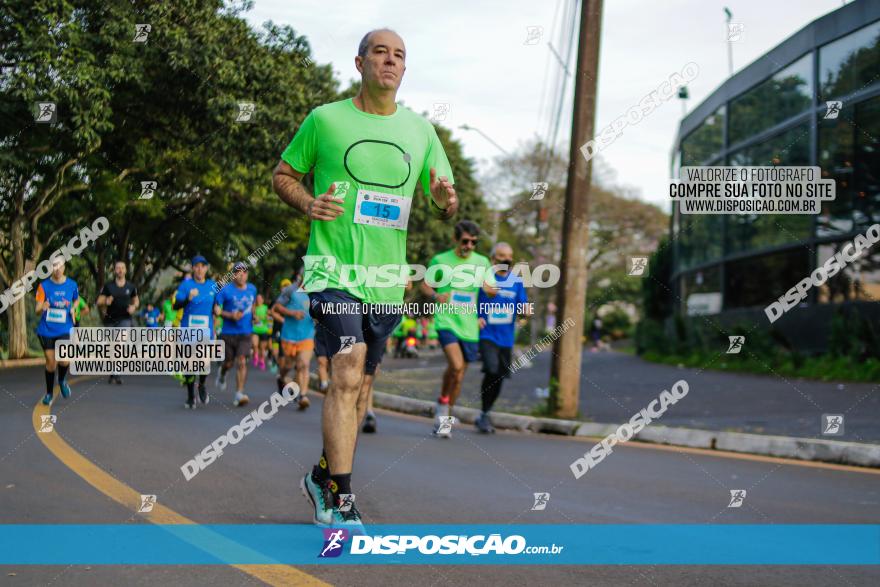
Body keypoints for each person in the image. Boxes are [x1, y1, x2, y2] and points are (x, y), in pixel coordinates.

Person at [272, 28, 458, 530]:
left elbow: (445, 200)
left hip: (387, 279)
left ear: (404, 69)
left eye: (399, 55)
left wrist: (444, 196)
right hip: (332, 270)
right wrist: (309, 202)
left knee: (359, 389)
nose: (390, 61)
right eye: (381, 52)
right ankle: (341, 499)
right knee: (347, 371)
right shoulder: (325, 119)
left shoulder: (421, 131)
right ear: (360, 63)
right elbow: (283, 175)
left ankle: (321, 475)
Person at [421, 220, 496, 437]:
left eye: (474, 242)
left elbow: (492, 290)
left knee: (460, 374)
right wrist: (436, 294)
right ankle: (443, 406)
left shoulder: (482, 262)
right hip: (446, 320)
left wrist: (488, 288)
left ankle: (444, 412)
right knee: (455, 364)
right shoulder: (441, 260)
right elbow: (425, 285)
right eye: (465, 241)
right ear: (455, 239)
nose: (469, 246)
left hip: (469, 325)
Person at [476, 242, 529, 433]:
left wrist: (525, 312)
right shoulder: (484, 278)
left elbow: (524, 304)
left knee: (498, 376)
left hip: (506, 338)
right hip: (486, 333)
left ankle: (485, 413)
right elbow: (471, 299)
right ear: (493, 259)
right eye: (501, 256)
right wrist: (476, 317)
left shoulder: (516, 281)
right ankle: (484, 413)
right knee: (491, 369)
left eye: (509, 255)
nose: (506, 259)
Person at [174, 255, 217, 408]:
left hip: (206, 330)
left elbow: (216, 305)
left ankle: (202, 385)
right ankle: (191, 396)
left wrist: (217, 309)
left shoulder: (212, 286)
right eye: (197, 266)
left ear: (206, 269)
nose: (200, 269)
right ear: (193, 268)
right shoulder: (185, 286)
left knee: (205, 362)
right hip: (188, 329)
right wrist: (187, 298)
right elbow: (175, 306)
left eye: (202, 266)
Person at [214, 262, 257, 407]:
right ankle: (223, 371)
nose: (242, 275)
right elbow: (217, 310)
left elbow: (252, 305)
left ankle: (239, 393)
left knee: (242, 361)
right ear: (233, 275)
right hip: (228, 333)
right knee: (229, 363)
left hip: (245, 333)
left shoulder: (252, 289)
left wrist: (254, 316)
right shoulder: (225, 291)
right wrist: (230, 315)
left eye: (244, 272)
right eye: (238, 272)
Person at [35, 260, 77, 406]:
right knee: (51, 363)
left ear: (64, 267)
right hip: (46, 330)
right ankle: (48, 393)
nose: (57, 269)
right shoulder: (43, 286)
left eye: (60, 266)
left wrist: (74, 309)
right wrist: (43, 307)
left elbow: (76, 301)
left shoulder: (72, 285)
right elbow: (36, 310)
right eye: (54, 266)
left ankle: (62, 380)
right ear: (51, 268)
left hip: (65, 328)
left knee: (64, 359)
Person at [272, 271, 313, 411]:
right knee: (288, 365)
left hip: (307, 334)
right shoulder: (291, 290)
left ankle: (303, 396)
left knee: (303, 364)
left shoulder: (316, 291)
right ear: (301, 276)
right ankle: (281, 377)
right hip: (289, 335)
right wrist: (292, 313)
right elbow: (276, 307)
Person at [97, 260, 139, 384]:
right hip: (110, 319)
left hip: (125, 319)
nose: (120, 270)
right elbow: (98, 301)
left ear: (125, 270)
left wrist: (134, 307)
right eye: (118, 268)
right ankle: (113, 371)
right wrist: (105, 301)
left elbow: (136, 300)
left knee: (119, 343)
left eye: (122, 268)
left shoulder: (131, 287)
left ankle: (118, 372)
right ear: (114, 270)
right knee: (111, 347)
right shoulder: (108, 286)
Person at [252, 293, 272, 371]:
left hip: (264, 330)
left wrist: (267, 317)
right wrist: (254, 317)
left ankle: (262, 360)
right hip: (255, 330)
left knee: (262, 348)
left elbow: (270, 317)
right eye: (257, 299)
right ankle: (256, 356)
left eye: (260, 299)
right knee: (254, 345)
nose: (258, 300)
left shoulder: (266, 308)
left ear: (263, 300)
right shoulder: (253, 308)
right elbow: (251, 317)